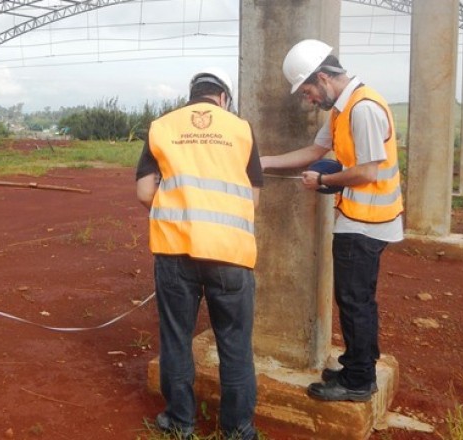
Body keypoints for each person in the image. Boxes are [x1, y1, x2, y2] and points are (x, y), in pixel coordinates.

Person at [260, 39, 404, 402]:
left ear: (323, 78)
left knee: (355, 300)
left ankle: (358, 381)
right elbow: (314, 151)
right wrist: (264, 161)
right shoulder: (341, 110)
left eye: (308, 89)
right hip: (358, 217)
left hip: (367, 221)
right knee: (356, 298)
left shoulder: (363, 109)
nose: (308, 98)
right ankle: (358, 363)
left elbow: (368, 171)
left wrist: (323, 181)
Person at [135, 68, 263, 439]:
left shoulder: (162, 127)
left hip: (175, 251)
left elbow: (146, 192)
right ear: (223, 97)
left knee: (176, 338)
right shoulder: (241, 129)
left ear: (192, 94)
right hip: (230, 254)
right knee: (235, 343)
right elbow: (252, 198)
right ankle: (237, 430)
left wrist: (179, 218)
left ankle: (180, 423)